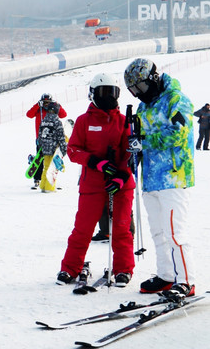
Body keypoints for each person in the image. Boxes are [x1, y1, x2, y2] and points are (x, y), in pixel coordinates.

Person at [124, 58, 196, 296]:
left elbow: (178, 133)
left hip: (174, 177)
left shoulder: (177, 99)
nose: (138, 94)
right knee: (158, 231)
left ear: (153, 79)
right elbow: (142, 139)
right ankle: (166, 275)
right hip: (151, 179)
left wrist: (144, 141)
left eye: (140, 88)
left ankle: (185, 280)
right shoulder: (145, 107)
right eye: (134, 91)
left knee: (175, 232)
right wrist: (135, 149)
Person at [57, 73, 135, 287]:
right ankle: (69, 268)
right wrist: (94, 162)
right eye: (103, 93)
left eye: (112, 92)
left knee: (121, 227)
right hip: (92, 184)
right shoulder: (84, 121)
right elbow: (72, 150)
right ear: (93, 94)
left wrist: (121, 176)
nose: (108, 97)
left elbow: (131, 153)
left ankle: (123, 269)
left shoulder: (124, 121)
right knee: (83, 228)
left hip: (121, 186)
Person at [26, 93, 67, 189]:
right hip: (40, 139)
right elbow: (29, 115)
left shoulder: (52, 110)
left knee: (51, 162)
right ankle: (37, 179)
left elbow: (63, 115)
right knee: (39, 159)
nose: (46, 105)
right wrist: (37, 105)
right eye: (44, 102)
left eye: (48, 102)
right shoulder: (38, 110)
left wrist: (57, 105)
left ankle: (51, 180)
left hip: (52, 140)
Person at [37, 102, 67, 193]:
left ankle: (43, 186)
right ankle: (49, 188)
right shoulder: (57, 122)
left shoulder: (43, 121)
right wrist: (63, 148)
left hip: (45, 148)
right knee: (52, 168)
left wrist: (41, 147)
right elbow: (61, 136)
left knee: (46, 167)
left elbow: (40, 135)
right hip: (54, 149)